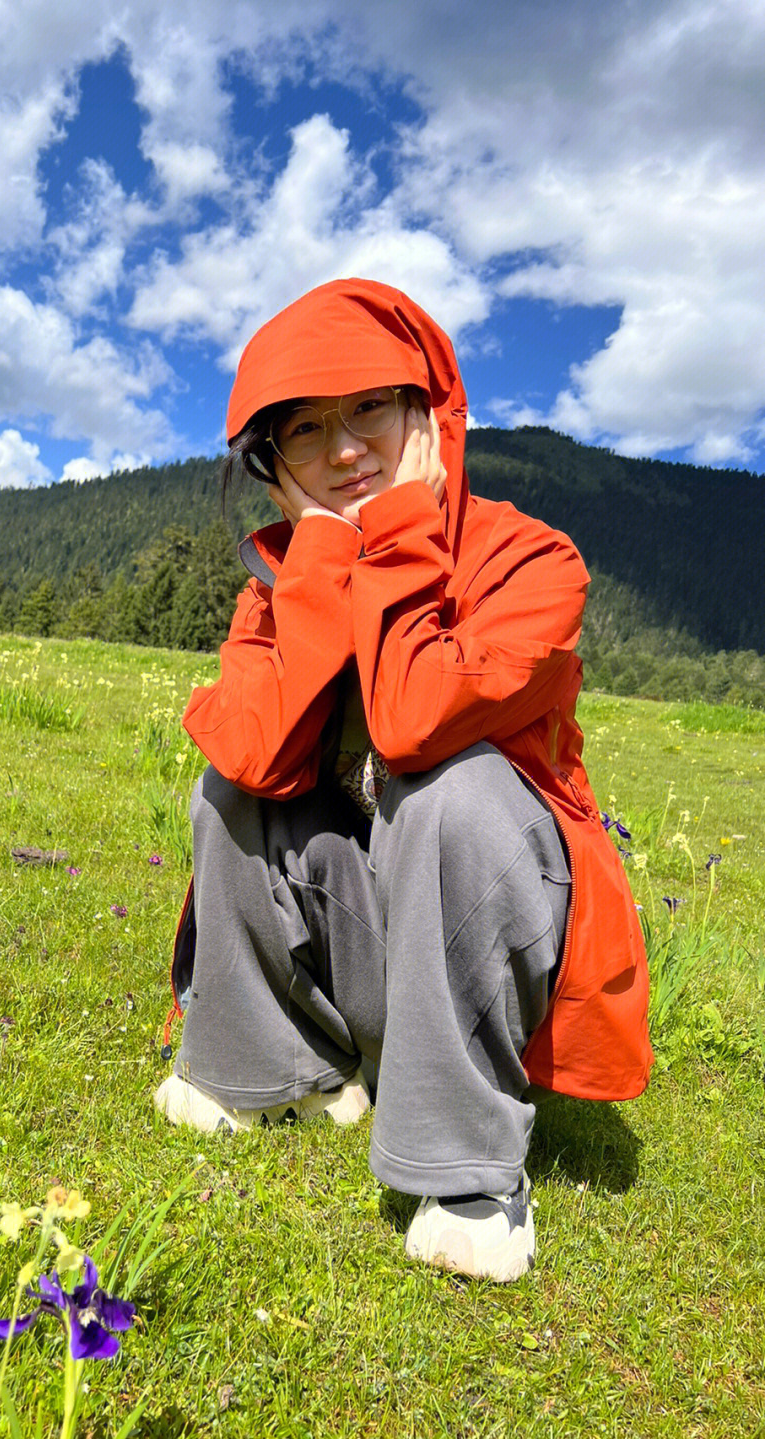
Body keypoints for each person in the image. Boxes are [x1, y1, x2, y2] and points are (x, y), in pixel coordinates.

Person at [154, 278, 652, 1282]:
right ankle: (283, 1069)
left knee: (453, 791)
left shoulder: (532, 562)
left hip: (479, 953)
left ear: (431, 407)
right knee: (233, 782)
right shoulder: (284, 584)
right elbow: (252, 753)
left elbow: (421, 722)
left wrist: (399, 537)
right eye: (305, 430)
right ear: (272, 466)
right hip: (370, 949)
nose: (342, 448)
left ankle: (469, 1169)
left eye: (370, 407)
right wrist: (327, 556)